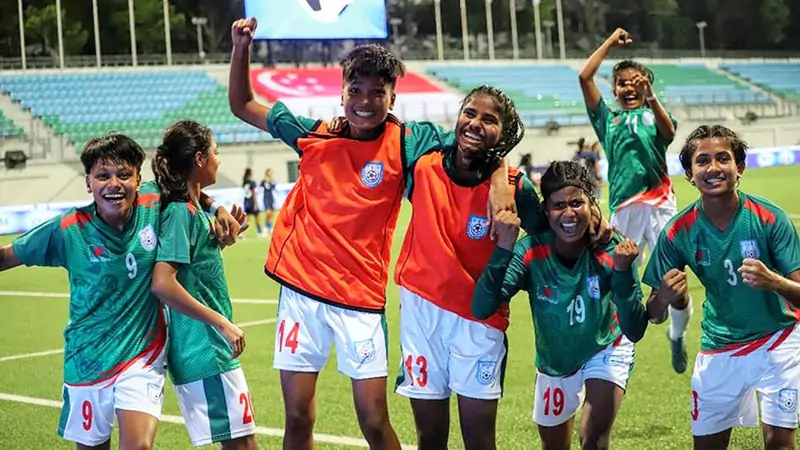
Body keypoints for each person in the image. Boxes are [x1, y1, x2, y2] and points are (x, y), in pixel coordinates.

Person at [227, 18, 514, 450]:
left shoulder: (407, 141)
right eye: (355, 91)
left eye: (377, 92)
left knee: (375, 421)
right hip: (301, 295)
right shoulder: (312, 134)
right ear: (341, 93)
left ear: (392, 97)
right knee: (298, 417)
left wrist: (499, 186)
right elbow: (242, 103)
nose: (365, 101)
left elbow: (472, 142)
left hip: (360, 300)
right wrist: (240, 48)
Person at [0, 134, 243, 450]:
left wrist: (217, 208)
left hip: (141, 357)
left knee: (138, 446)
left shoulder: (154, 203)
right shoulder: (68, 229)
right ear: (88, 182)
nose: (113, 184)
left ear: (139, 179)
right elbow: (7, 256)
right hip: (85, 359)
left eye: (124, 175)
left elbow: (187, 186)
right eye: (102, 176)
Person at [473, 160, 649, 450]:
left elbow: (634, 328)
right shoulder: (530, 251)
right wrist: (503, 247)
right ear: (546, 210)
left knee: (593, 439)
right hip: (555, 361)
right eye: (559, 205)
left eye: (577, 203)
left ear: (591, 204)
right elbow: (482, 307)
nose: (569, 213)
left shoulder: (612, 246)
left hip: (605, 346)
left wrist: (621, 274)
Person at [643, 125, 800, 450]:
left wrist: (775, 282)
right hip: (720, 347)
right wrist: (666, 299)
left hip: (779, 341)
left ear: (739, 167)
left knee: (780, 443)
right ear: (689, 173)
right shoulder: (678, 231)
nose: (713, 168)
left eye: (723, 158)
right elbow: (653, 313)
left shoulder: (770, 218)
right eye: (702, 161)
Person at [579, 27, 691, 374]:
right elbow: (585, 77)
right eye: (622, 82)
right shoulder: (607, 120)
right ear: (614, 88)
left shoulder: (655, 114)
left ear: (646, 85)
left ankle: (676, 334)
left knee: (675, 285)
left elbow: (670, 134)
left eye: (636, 81)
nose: (629, 87)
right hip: (623, 211)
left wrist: (652, 96)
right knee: (614, 280)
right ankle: (616, 347)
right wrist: (611, 42)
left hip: (660, 207)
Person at [149, 120, 258, 449]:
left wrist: (221, 237)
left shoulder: (193, 206)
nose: (218, 159)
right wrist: (222, 323)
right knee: (242, 445)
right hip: (204, 346)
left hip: (210, 346)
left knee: (241, 443)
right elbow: (162, 283)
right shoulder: (181, 212)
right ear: (199, 159)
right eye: (215, 152)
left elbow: (192, 269)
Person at [242, 168, 265, 237]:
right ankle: (260, 232)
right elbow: (253, 193)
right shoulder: (252, 182)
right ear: (250, 173)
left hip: (246, 201)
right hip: (252, 201)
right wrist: (255, 203)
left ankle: (241, 232)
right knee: (257, 216)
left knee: (247, 218)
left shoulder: (244, 182)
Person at [260, 168, 277, 235]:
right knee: (268, 213)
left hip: (271, 198)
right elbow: (260, 189)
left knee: (272, 214)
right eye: (270, 172)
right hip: (266, 198)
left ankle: (269, 227)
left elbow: (274, 188)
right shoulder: (263, 181)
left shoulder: (272, 181)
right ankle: (266, 227)